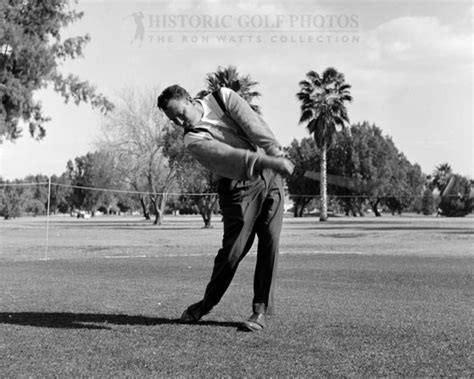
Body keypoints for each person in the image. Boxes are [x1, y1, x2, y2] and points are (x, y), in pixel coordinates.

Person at [157, 84, 294, 332]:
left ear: (190, 99)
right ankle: (207, 303)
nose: (178, 121)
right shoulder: (193, 139)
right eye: (172, 119)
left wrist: (275, 152)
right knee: (233, 252)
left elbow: (253, 124)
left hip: (271, 176)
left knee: (270, 241)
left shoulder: (222, 98)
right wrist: (267, 160)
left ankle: (259, 311)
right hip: (237, 188)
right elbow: (227, 157)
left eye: (180, 114)